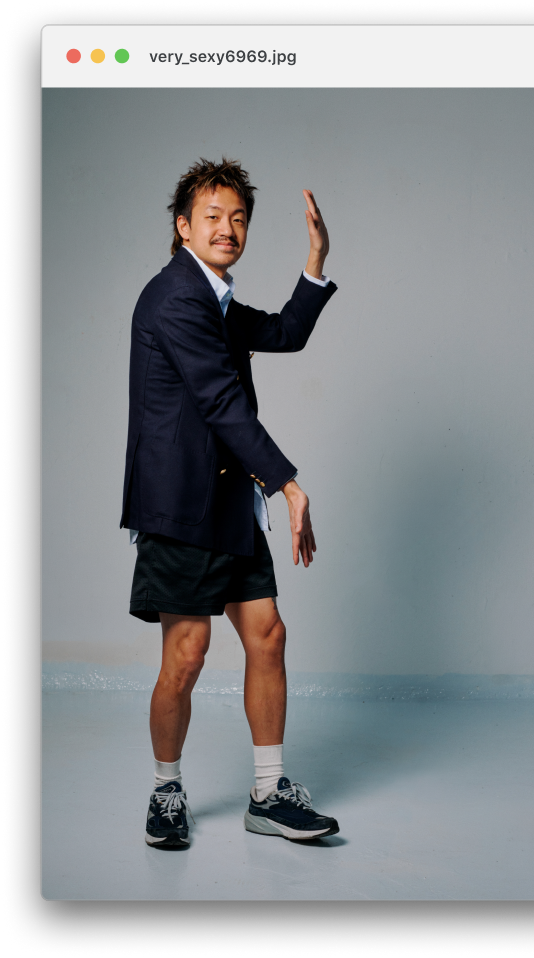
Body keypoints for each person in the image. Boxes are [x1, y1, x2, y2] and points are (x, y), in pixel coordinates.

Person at [120, 158, 339, 847]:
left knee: (267, 636)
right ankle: (166, 792)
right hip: (181, 506)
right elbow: (219, 400)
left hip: (225, 500)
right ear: (183, 226)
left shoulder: (214, 298)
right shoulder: (176, 298)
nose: (228, 228)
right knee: (185, 656)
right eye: (212, 216)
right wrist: (287, 481)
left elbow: (282, 333)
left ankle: (269, 794)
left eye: (239, 217)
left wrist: (315, 261)